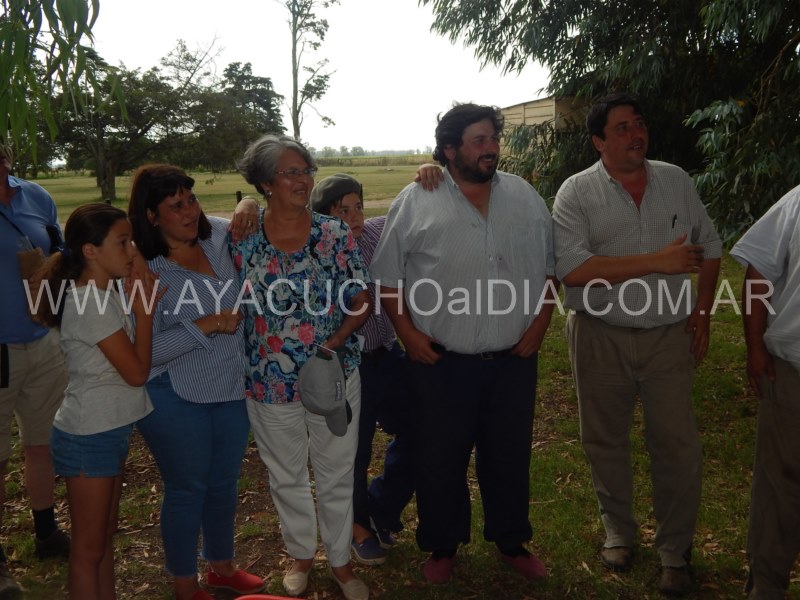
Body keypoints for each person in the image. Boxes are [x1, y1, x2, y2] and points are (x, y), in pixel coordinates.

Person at [370, 103, 558, 585]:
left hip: (513, 360)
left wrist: (541, 322)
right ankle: (443, 545)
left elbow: (550, 267)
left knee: (509, 455)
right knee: (440, 458)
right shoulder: (417, 199)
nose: (490, 148)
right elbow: (388, 277)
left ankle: (511, 541)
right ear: (450, 150)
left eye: (493, 138)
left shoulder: (524, 196)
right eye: (478, 140)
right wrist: (407, 333)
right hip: (441, 362)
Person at [551, 93, 722, 596]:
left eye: (639, 124)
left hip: (668, 334)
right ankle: (619, 532)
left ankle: (675, 550)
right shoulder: (576, 192)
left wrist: (703, 310)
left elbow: (711, 246)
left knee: (676, 443)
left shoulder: (676, 180)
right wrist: (657, 262)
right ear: (598, 141)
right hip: (598, 333)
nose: (636, 133)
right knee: (603, 439)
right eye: (622, 127)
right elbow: (572, 270)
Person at [233, 135, 372, 600]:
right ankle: (300, 556)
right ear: (266, 182)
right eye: (291, 172)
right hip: (268, 380)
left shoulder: (332, 233)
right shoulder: (242, 235)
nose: (304, 180)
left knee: (336, 470)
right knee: (286, 474)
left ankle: (341, 561)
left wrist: (336, 340)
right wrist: (245, 205)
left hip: (332, 374)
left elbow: (361, 300)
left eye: (306, 171)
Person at [128, 164, 264, 600]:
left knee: (224, 482)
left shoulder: (219, 235)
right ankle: (185, 583)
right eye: (176, 206)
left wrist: (249, 202)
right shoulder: (143, 270)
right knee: (188, 488)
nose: (190, 212)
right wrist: (206, 324)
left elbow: (261, 216)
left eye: (192, 200)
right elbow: (144, 353)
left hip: (230, 385)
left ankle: (222, 567)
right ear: (151, 216)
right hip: (174, 392)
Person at [31, 203, 157, 599]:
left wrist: (134, 268)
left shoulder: (104, 292)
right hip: (89, 436)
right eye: (122, 242)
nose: (131, 251)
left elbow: (137, 268)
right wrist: (146, 314)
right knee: (88, 549)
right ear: (90, 250)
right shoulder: (90, 303)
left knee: (103, 536)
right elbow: (136, 373)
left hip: (106, 431)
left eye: (131, 241)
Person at [309, 174, 416, 566]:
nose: (354, 218)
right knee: (354, 449)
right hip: (350, 365)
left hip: (388, 355)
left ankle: (381, 508)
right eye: (343, 211)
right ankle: (358, 526)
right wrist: (247, 205)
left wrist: (427, 172)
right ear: (324, 216)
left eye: (358, 207)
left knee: (421, 430)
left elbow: (412, 209)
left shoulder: (376, 232)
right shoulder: (318, 249)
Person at [0, 140, 70, 595]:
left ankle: (46, 530)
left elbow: (59, 249)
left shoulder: (35, 196)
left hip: (43, 340)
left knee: (42, 442)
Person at [729, 183, 800, 600]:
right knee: (781, 482)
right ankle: (767, 584)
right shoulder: (797, 202)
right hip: (793, 372)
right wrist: (755, 345)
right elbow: (759, 271)